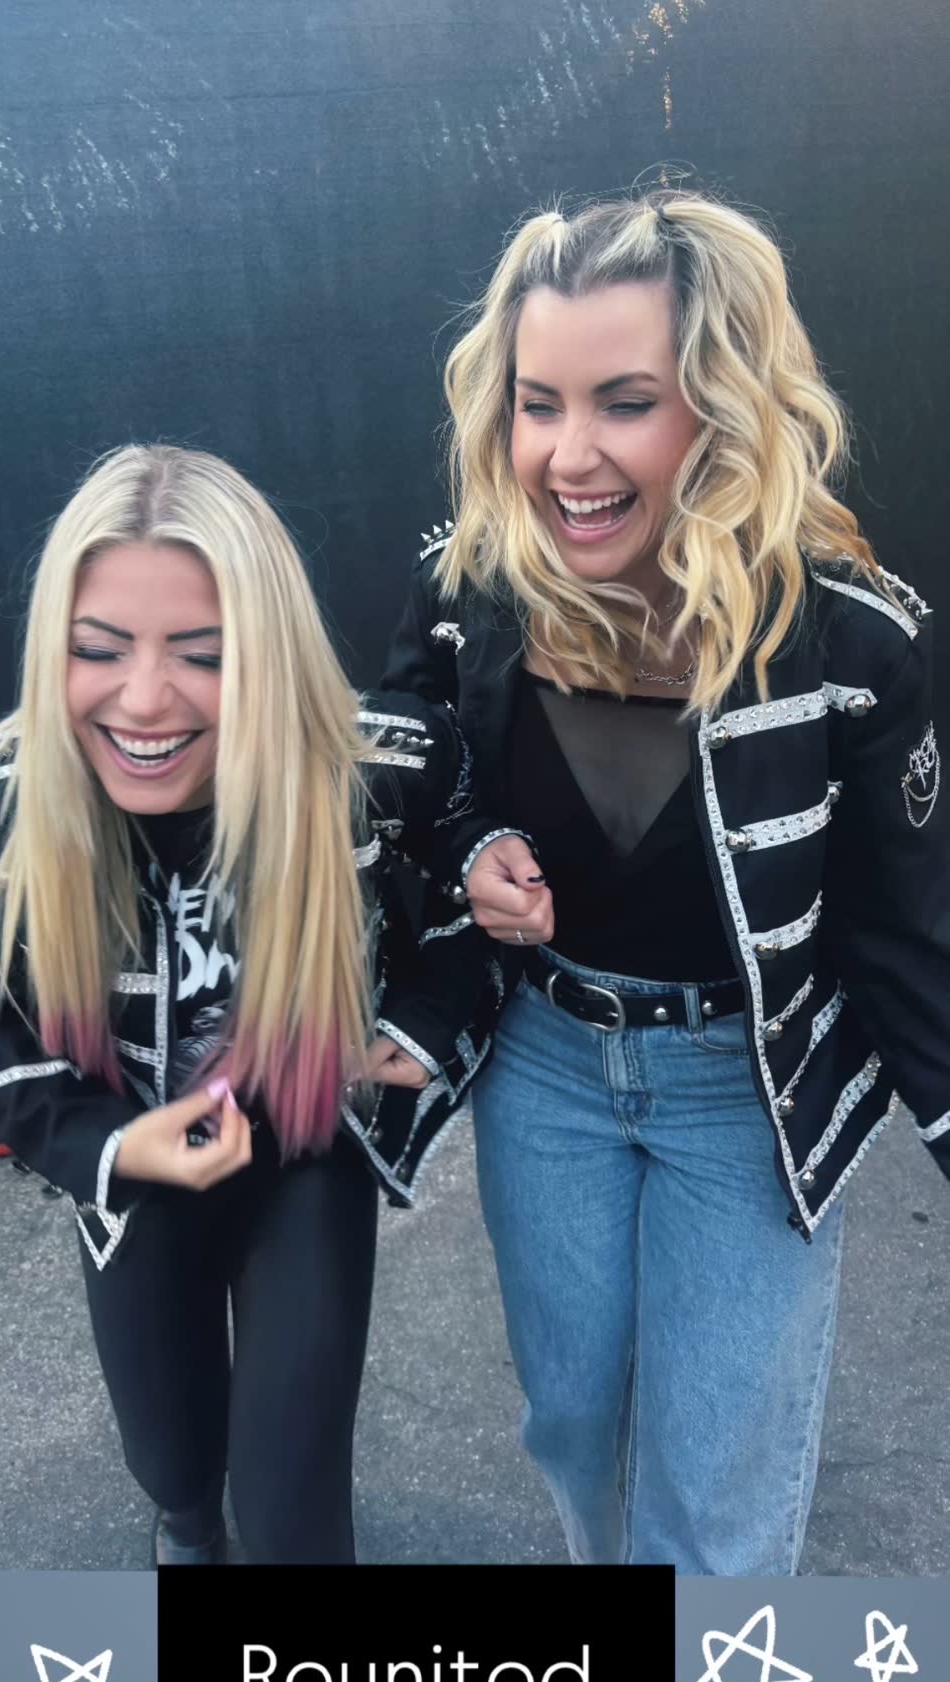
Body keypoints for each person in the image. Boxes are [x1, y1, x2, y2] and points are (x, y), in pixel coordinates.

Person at [381, 190, 950, 1573]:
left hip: (747, 1090)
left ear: (720, 406)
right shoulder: (472, 589)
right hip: (546, 1065)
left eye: (624, 402)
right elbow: (416, 766)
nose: (567, 454)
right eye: (538, 404)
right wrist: (470, 850)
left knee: (711, 1500)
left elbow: (910, 933)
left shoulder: (851, 642)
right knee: (574, 1429)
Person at [0, 443, 497, 1566]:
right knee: (175, 1468)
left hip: (305, 1151)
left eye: (204, 654)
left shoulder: (371, 768)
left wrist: (422, 1029)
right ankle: (185, 1525)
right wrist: (102, 1142)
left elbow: (478, 868)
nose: (144, 698)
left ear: (268, 652)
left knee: (291, 1519)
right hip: (130, 1161)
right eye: (98, 649)